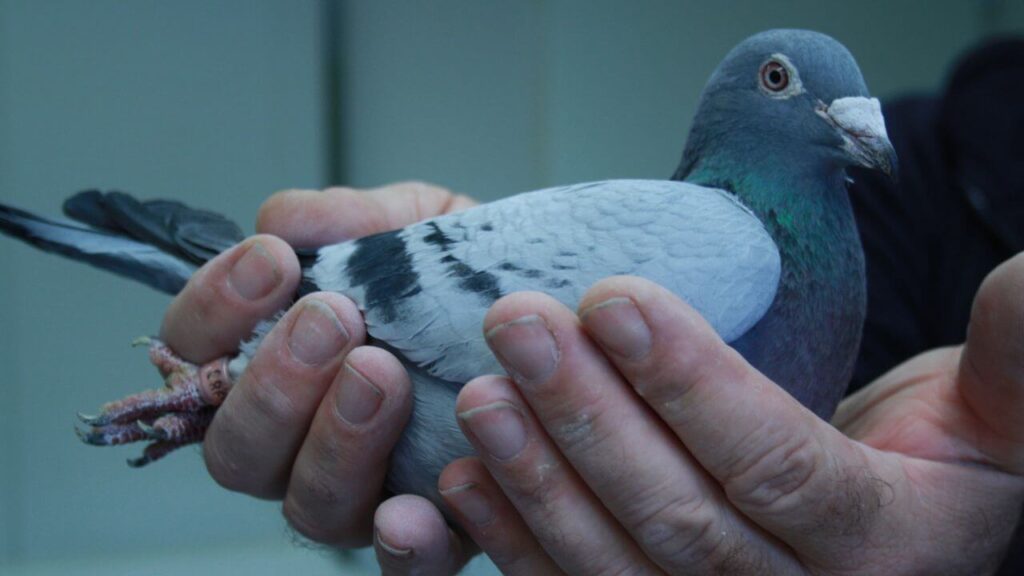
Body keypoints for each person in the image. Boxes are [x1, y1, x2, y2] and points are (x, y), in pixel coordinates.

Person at [157, 39, 1024, 574]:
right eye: (778, 78)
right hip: (389, 342)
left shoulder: (831, 245)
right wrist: (241, 369)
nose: (861, 128)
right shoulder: (734, 243)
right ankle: (231, 374)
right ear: (739, 105)